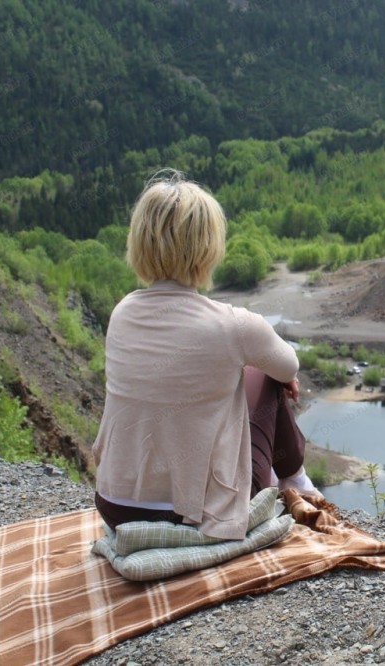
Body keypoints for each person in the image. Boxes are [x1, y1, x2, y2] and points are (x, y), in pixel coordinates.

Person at [92, 169, 320, 540]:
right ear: (208, 247)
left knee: (250, 369)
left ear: (139, 243)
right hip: (195, 516)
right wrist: (273, 372)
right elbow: (289, 364)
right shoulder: (235, 325)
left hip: (117, 506)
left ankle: (294, 479)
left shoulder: (121, 313)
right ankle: (296, 479)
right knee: (268, 374)